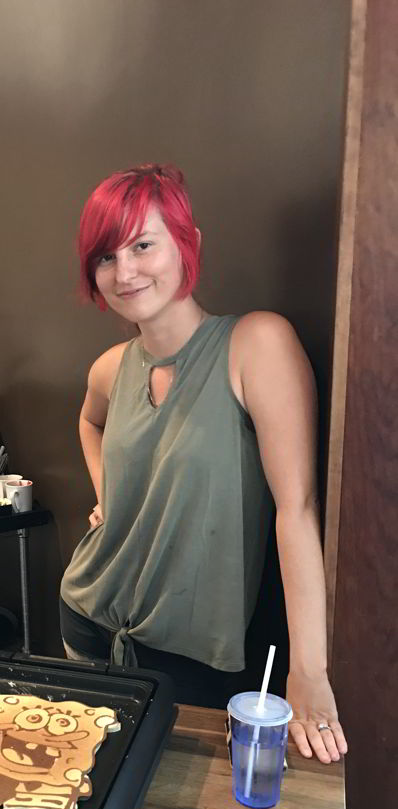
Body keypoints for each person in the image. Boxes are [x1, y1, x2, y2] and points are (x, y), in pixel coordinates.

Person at [59, 163, 347, 765]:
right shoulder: (112, 366)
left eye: (143, 244)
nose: (125, 270)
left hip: (193, 654)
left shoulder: (256, 344)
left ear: (187, 242)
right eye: (106, 257)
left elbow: (297, 512)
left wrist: (309, 670)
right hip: (90, 618)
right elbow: (88, 421)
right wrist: (109, 496)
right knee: (83, 791)